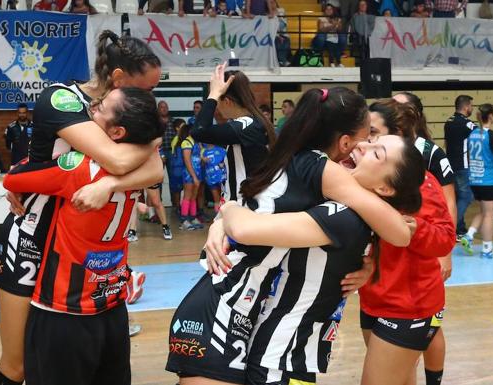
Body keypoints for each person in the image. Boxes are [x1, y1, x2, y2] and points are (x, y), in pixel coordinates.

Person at [167, 87, 413, 385]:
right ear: (345, 142)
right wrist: (227, 213)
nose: (365, 147)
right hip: (225, 306)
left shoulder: (295, 161)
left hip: (242, 307)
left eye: (375, 146)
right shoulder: (327, 177)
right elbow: (399, 232)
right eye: (368, 138)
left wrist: (371, 261)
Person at [0, 31, 163, 385]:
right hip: (32, 236)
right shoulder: (63, 99)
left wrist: (110, 185)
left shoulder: (123, 114)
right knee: (17, 364)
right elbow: (116, 158)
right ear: (118, 79)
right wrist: (154, 141)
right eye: (144, 88)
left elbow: (154, 171)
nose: (149, 98)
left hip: (76, 250)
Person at [206, 135, 425, 385]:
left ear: (385, 188)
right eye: (370, 140)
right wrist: (222, 223)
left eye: (376, 153)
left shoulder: (345, 215)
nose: (362, 146)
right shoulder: (350, 211)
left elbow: (246, 228)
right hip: (281, 356)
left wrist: (227, 208)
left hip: (286, 355)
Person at [359, 170, 455, 385]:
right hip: (373, 296)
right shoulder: (359, 175)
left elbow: (445, 235)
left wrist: (419, 232)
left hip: (409, 304)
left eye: (374, 134)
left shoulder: (420, 178)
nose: (366, 144)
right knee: (401, 375)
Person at [190, 64, 275, 202]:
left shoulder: (245, 125)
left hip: (248, 204)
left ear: (227, 101)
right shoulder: (254, 122)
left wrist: (213, 95)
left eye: (217, 102)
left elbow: (198, 131)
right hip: (248, 201)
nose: (216, 108)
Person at [461, 104, 493, 258]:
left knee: (483, 212)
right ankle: (487, 249)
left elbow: (470, 156)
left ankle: (469, 235)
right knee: (490, 215)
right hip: (489, 181)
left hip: (475, 180)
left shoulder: (472, 134)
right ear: (491, 116)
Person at [444, 95, 475, 239]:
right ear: (466, 106)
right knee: (467, 196)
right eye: (471, 106)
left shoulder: (448, 122)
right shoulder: (468, 124)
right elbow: (478, 138)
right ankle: (453, 226)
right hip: (463, 165)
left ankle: (460, 229)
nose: (472, 109)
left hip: (450, 164)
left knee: (457, 197)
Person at [178, 123, 204, 230]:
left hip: (198, 172)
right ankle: (184, 220)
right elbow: (187, 161)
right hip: (189, 173)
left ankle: (193, 217)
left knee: (194, 196)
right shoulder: (186, 142)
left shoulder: (197, 142)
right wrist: (193, 176)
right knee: (187, 196)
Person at [201, 143, 227, 214]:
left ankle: (224, 216)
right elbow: (201, 165)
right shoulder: (203, 151)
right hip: (211, 179)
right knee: (216, 199)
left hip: (222, 178)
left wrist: (223, 164)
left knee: (224, 198)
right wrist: (203, 160)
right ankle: (218, 217)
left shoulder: (221, 149)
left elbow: (227, 161)